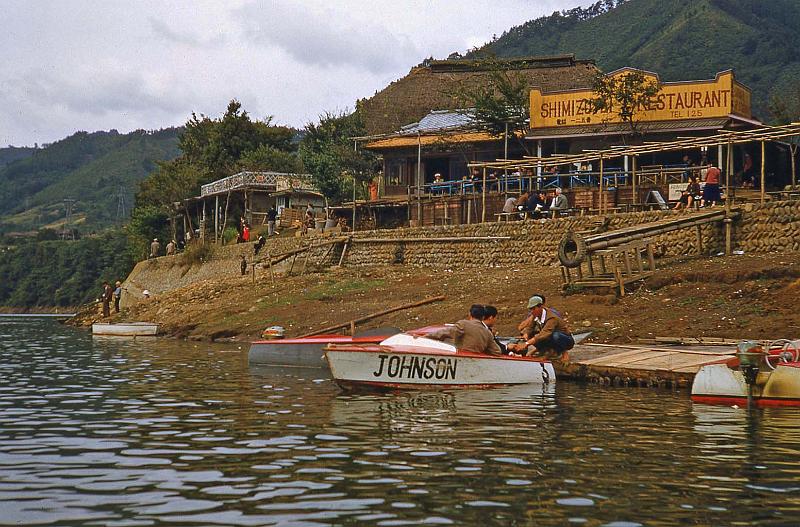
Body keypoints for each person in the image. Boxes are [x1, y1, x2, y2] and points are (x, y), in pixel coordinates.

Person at [508, 295, 574, 358]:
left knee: (555, 336)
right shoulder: (535, 315)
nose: (532, 311)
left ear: (541, 306)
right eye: (531, 309)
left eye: (534, 309)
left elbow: (545, 333)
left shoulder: (551, 317)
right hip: (550, 337)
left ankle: (562, 351)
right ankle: (545, 350)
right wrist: (526, 334)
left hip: (565, 339)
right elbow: (530, 327)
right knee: (532, 334)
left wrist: (527, 343)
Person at [426, 304, 502, 356]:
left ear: (470, 314)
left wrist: (425, 337)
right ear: (482, 317)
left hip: (460, 359)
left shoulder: (463, 324)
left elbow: (444, 333)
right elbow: (497, 351)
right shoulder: (487, 332)